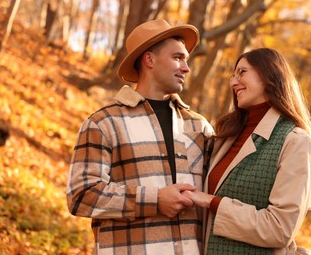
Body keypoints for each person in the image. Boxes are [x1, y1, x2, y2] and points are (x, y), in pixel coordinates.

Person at [66, 19, 214, 254]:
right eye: (177, 57)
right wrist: (154, 200)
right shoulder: (103, 123)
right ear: (149, 60)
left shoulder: (200, 127)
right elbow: (81, 195)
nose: (186, 67)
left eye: (187, 59)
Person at [182, 48, 311, 254]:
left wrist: (211, 202)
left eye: (242, 72)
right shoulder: (228, 135)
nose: (233, 82)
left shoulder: (296, 142)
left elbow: (280, 228)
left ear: (269, 74)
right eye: (234, 75)